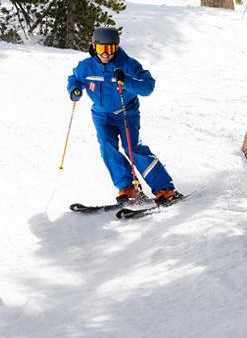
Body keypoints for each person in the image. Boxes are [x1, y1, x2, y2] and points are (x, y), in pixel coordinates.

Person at [67, 25, 182, 205]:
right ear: (93, 46)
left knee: (132, 148)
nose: (105, 53)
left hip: (126, 113)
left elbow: (148, 86)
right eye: (100, 48)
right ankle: (128, 188)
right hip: (101, 116)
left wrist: (127, 80)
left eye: (110, 48)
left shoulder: (128, 64)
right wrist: (74, 89)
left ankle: (165, 188)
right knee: (107, 147)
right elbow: (74, 78)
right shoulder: (86, 67)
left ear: (117, 46)